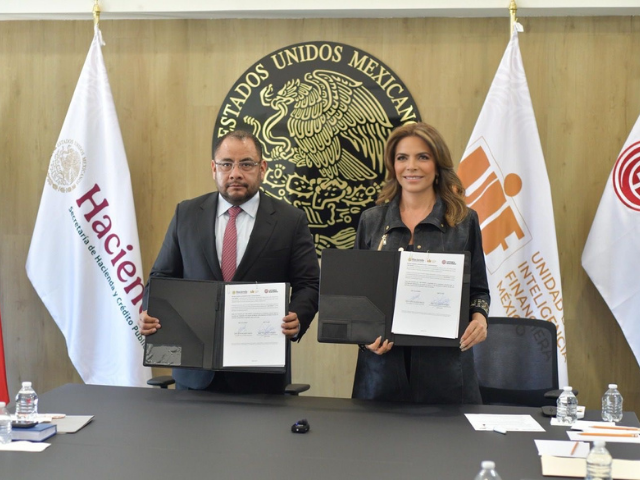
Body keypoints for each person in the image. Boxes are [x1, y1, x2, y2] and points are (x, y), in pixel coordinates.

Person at [139, 130, 320, 394]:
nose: (235, 173)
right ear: (214, 169)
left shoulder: (290, 220)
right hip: (195, 375)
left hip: (260, 377)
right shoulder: (186, 214)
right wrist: (150, 310)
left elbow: (309, 284)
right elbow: (161, 278)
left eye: (246, 164)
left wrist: (298, 317)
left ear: (262, 168)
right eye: (226, 164)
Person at [351, 122, 490, 404]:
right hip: (381, 372)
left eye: (422, 157)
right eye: (402, 158)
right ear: (393, 165)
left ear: (438, 166)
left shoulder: (464, 222)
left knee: (448, 436)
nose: (411, 166)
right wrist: (364, 337)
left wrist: (479, 319)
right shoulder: (371, 220)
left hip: (446, 372)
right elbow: (357, 296)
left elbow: (478, 290)